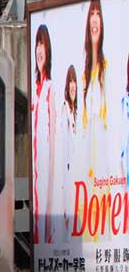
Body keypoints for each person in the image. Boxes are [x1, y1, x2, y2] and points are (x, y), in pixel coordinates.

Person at [82, 0, 108, 242]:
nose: (94, 18)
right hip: (85, 166)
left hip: (103, 166)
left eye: (98, 13)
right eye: (92, 13)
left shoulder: (105, 67)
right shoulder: (83, 71)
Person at [31, 23, 56, 245]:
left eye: (43, 44)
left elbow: (54, 137)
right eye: (37, 43)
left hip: (45, 164)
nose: (39, 49)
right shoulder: (34, 90)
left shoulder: (50, 89)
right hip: (35, 166)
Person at [57, 66, 79, 243]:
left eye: (75, 82)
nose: (73, 86)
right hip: (66, 178)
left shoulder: (77, 113)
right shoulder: (64, 111)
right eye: (70, 81)